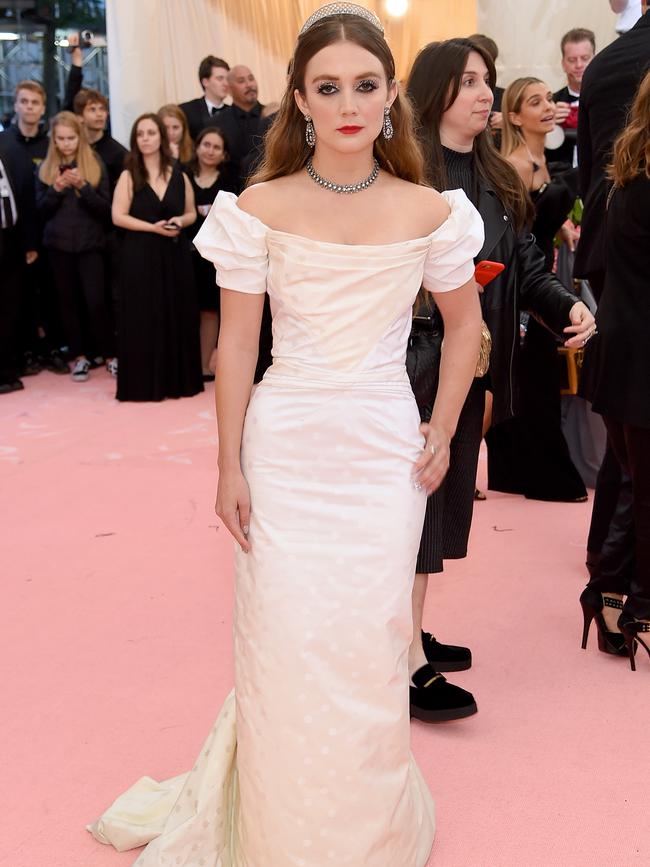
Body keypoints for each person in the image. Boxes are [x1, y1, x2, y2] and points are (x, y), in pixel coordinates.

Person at [88, 5, 485, 863]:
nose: (349, 103)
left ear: (391, 99)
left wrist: (444, 425)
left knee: (368, 639)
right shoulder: (259, 205)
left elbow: (465, 328)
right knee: (286, 637)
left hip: (384, 449)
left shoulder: (431, 211)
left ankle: (364, 830)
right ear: (301, 101)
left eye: (367, 85)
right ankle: (281, 830)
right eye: (328, 87)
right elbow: (234, 343)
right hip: (288, 443)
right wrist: (226, 463)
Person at [405, 38, 595, 722]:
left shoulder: (491, 173)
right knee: (413, 502)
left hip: (470, 359)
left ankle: (407, 629)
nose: (486, 94)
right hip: (412, 360)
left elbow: (523, 261)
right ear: (435, 93)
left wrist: (564, 306)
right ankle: (404, 660)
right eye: (469, 83)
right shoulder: (404, 170)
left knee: (439, 503)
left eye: (488, 82)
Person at [576, 4, 649, 595]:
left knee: (632, 426)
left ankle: (608, 575)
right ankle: (616, 587)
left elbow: (585, 172)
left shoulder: (603, 64)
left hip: (611, 244)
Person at [491, 77, 587, 502]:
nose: (549, 106)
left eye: (549, 98)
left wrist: (562, 226)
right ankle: (546, 478)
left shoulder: (539, 159)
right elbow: (515, 233)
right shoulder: (514, 164)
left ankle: (515, 473)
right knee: (536, 382)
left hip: (545, 278)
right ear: (515, 116)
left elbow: (539, 216)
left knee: (533, 382)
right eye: (536, 102)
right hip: (524, 289)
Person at [111, 113, 202, 402]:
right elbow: (117, 216)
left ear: (162, 137)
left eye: (151, 132)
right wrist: (152, 228)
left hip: (174, 254)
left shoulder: (180, 174)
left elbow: (191, 212)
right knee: (143, 316)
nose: (146, 138)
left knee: (177, 312)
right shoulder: (128, 175)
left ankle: (178, 381)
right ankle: (144, 383)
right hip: (140, 255)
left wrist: (179, 221)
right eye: (141, 134)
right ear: (135, 140)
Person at [36, 112, 114, 382]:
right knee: (68, 305)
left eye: (71, 138)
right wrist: (55, 190)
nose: (66, 143)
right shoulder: (45, 168)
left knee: (97, 302)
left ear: (79, 138)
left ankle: (109, 355)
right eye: (61, 139)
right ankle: (79, 358)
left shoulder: (94, 164)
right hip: (58, 247)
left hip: (90, 245)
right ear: (54, 140)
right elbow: (40, 212)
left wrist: (84, 188)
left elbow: (106, 211)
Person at [186, 126, 239, 380]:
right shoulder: (182, 176)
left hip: (213, 258)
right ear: (197, 147)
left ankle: (206, 366)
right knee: (185, 309)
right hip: (183, 256)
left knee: (210, 310)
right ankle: (185, 364)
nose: (210, 151)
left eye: (216, 147)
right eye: (206, 144)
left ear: (224, 154)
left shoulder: (230, 182)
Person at [0, 134, 38, 394]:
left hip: (12, 240)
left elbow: (25, 200)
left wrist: (29, 243)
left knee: (11, 306)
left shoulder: (10, 153)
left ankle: (9, 369)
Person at [550, 29, 596, 167]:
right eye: (572, 60)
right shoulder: (551, 103)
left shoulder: (608, 100)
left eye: (585, 58)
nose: (579, 65)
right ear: (563, 64)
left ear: (595, 59)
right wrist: (549, 123)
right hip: (561, 177)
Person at [179, 55, 237, 142]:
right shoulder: (186, 111)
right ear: (205, 82)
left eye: (227, 79)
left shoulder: (235, 113)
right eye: (220, 78)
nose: (226, 83)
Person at [227, 64, 265, 166]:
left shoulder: (273, 117)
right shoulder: (218, 123)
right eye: (241, 81)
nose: (249, 85)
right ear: (229, 90)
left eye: (251, 78)